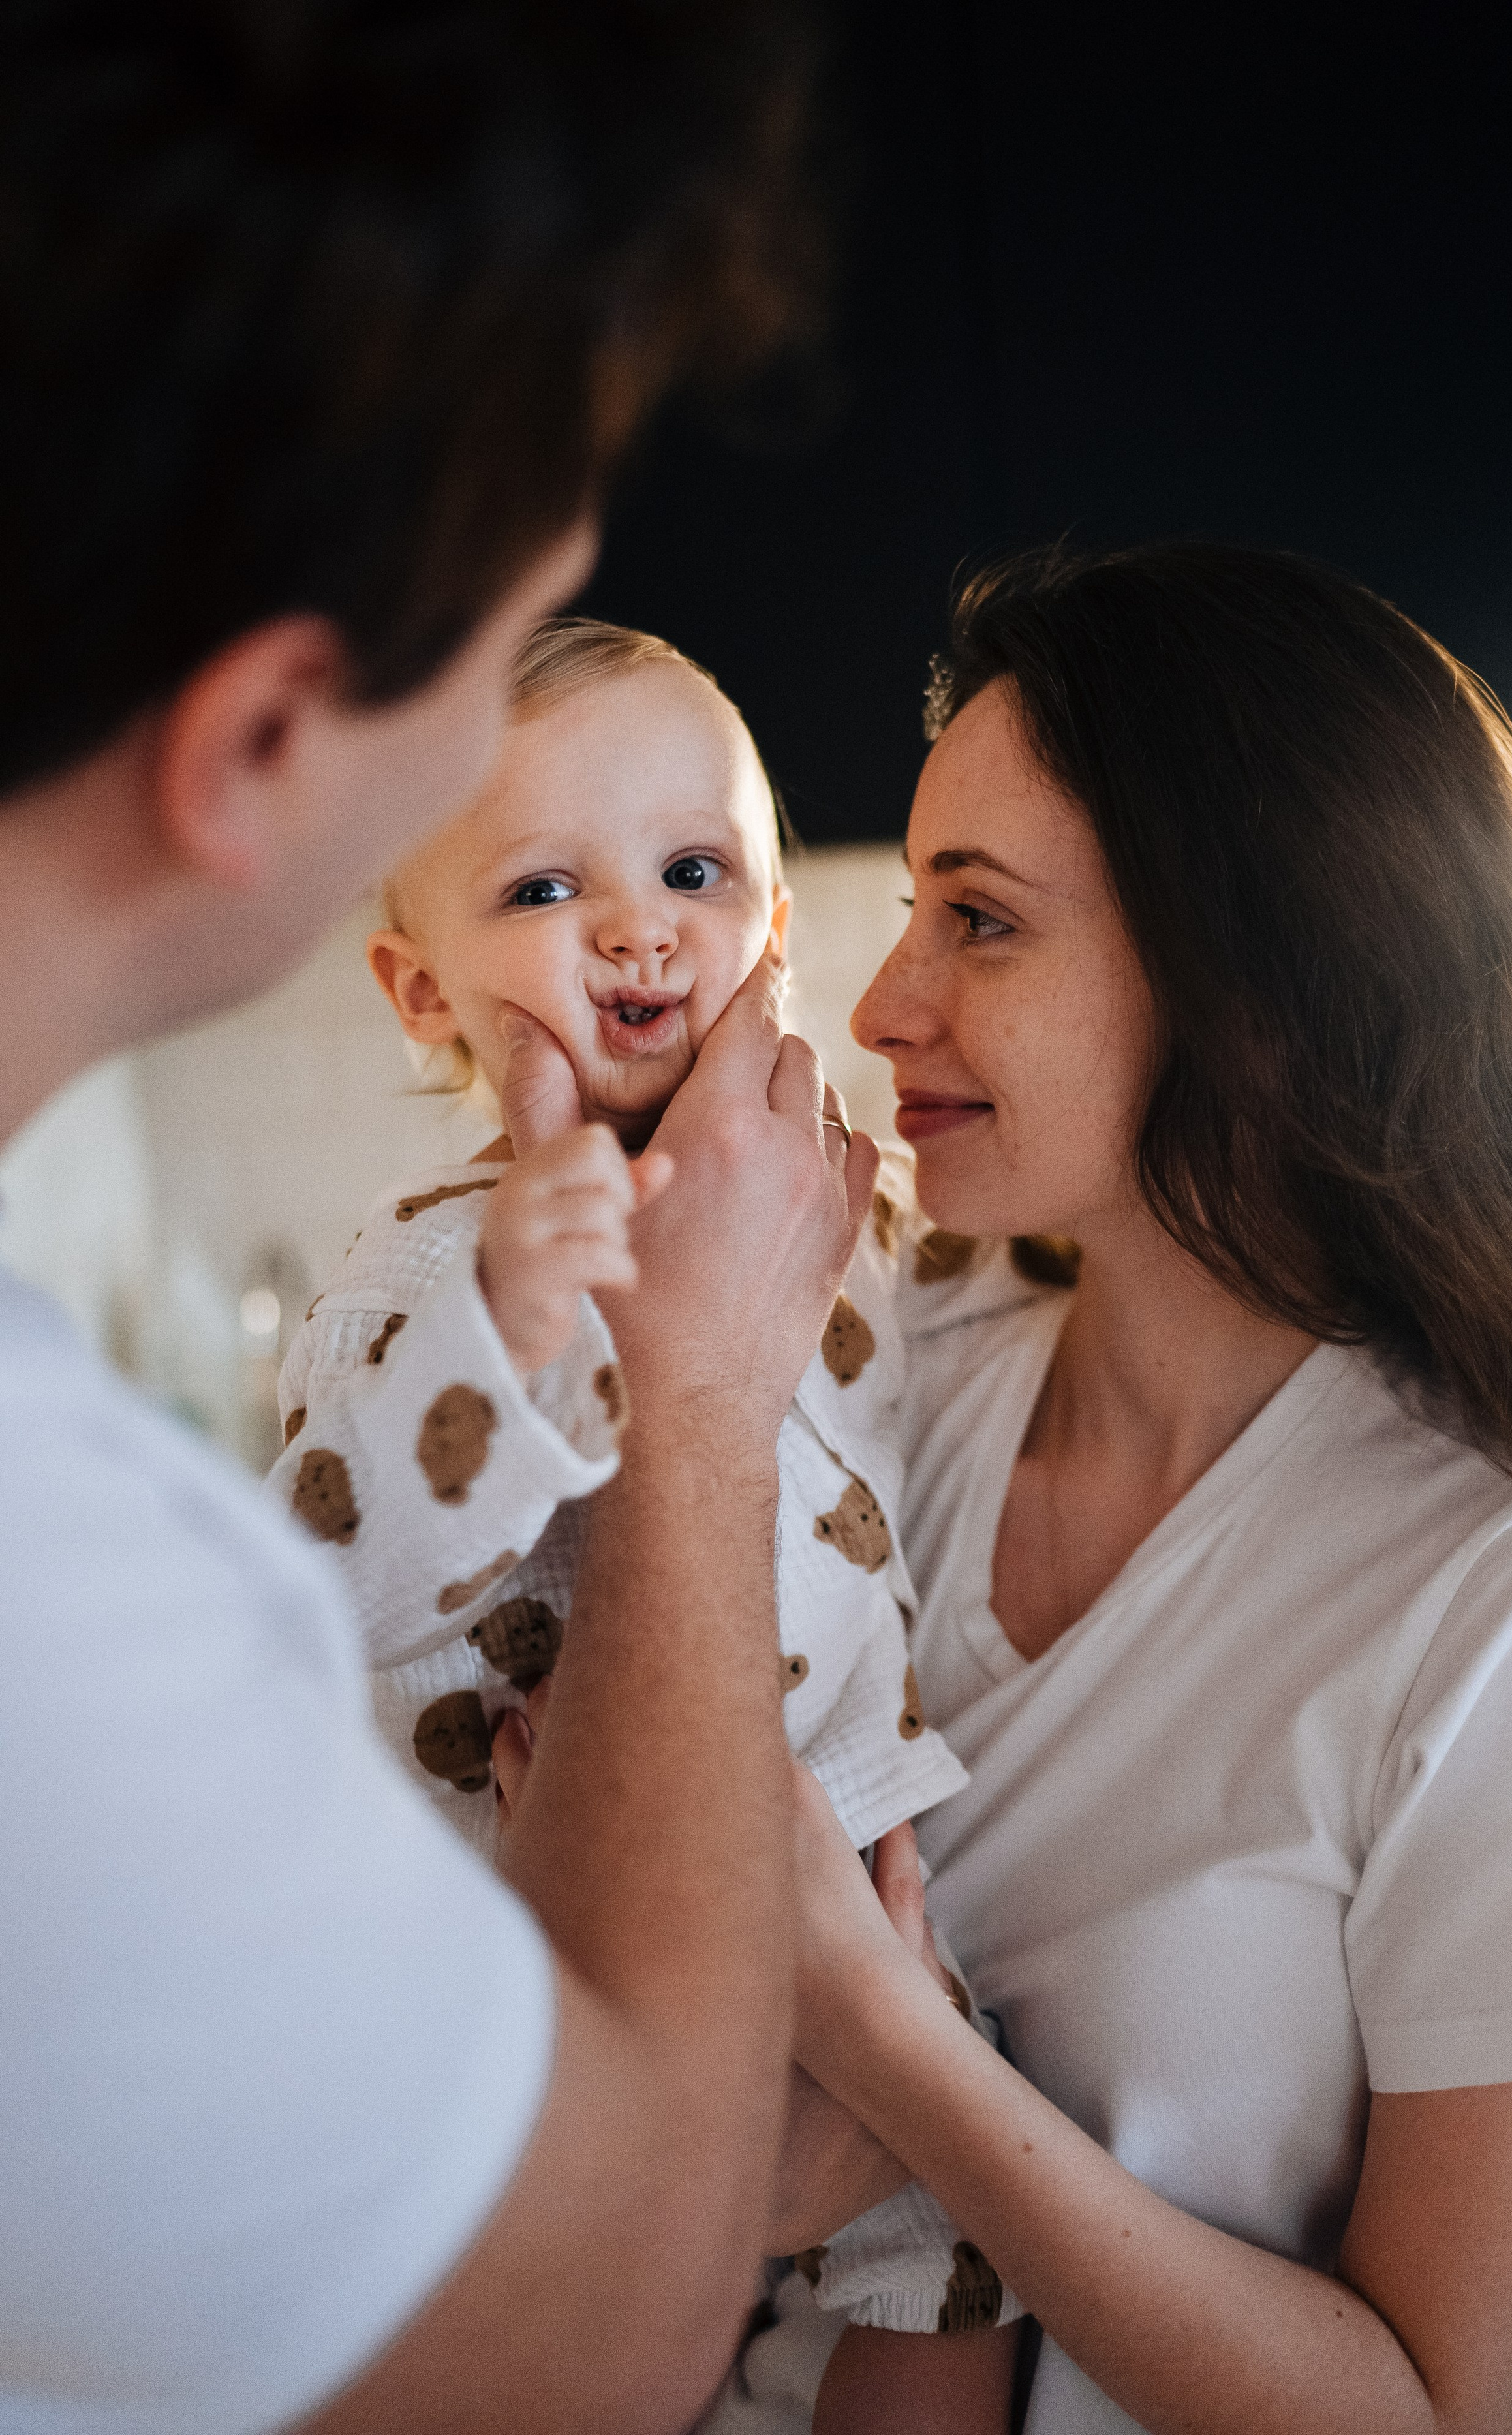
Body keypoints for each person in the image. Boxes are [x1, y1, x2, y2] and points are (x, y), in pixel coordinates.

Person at [0, 0, 876, 2432]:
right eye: (499, 656)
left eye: (693, 871)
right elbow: (578, 2342)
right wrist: (692, 1400)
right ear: (269, 741)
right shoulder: (53, 1604)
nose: (631, 921)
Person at [775, 544, 1512, 2435]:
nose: (883, 1005)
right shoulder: (887, 1377)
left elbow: (1431, 2412)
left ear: (1257, 975)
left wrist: (888, 2053)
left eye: (980, 921)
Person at [273, 608, 1000, 2340]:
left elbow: (984, 1328)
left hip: (849, 1894)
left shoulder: (846, 1202)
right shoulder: (424, 1274)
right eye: (543, 889)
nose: (637, 928)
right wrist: (512, 1322)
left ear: (774, 925)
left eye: (694, 870)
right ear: (421, 990)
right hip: (547, 1959)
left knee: (954, 2267)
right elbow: (319, 1594)